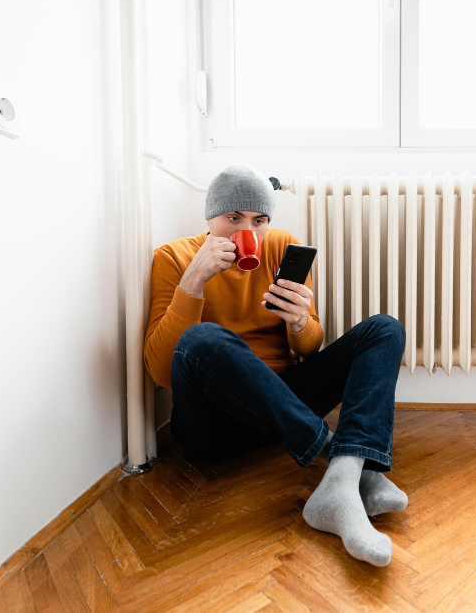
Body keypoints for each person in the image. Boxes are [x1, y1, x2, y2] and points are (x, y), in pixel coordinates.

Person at [143, 163, 407, 567]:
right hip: (212, 428)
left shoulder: (282, 247)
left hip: (283, 406)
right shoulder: (174, 257)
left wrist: (301, 321)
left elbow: (310, 348)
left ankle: (341, 479)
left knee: (384, 329)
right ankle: (351, 466)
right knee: (202, 339)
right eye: (233, 218)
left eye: (258, 220)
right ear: (210, 216)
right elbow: (162, 372)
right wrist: (193, 281)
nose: (246, 231)